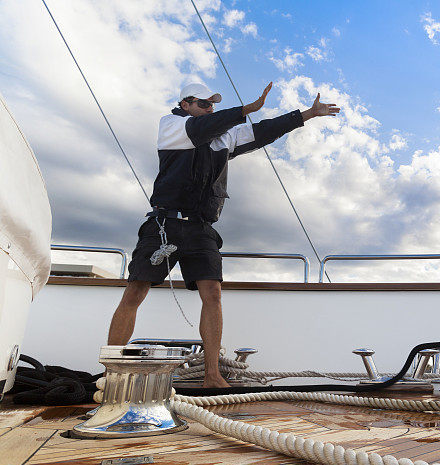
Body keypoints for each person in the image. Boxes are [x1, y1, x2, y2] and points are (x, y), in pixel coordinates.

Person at [107, 82, 339, 387]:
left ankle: (212, 374)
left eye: (213, 104)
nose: (210, 108)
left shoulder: (224, 137)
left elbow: (264, 131)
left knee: (213, 295)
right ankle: (112, 372)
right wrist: (244, 110)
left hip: (201, 228)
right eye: (204, 104)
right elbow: (201, 128)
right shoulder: (172, 126)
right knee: (135, 291)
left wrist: (306, 114)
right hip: (164, 224)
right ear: (186, 104)